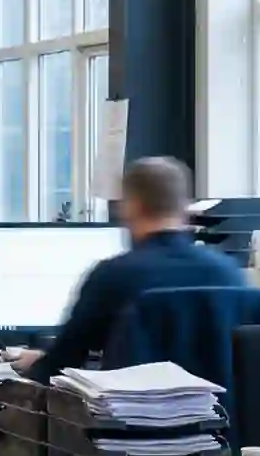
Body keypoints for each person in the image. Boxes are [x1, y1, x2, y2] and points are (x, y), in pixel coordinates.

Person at [17, 156, 247, 382]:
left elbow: (61, 364)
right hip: (220, 406)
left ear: (132, 206)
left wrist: (36, 365)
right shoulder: (229, 272)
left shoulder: (114, 275)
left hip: (137, 407)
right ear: (185, 207)